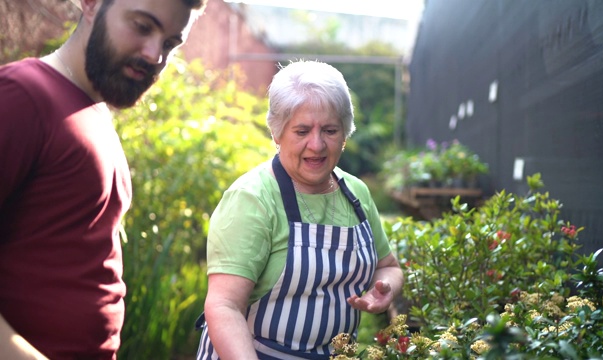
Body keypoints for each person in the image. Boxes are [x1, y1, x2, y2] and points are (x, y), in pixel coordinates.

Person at [0, 0, 207, 358]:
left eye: (171, 43)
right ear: (92, 3)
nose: (155, 54)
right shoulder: (23, 95)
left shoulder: (91, 109)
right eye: (143, 27)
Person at [196, 60, 404, 359]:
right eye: (302, 131)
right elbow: (223, 306)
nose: (316, 145)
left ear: (345, 134)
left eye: (330, 130)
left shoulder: (355, 193)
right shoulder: (252, 198)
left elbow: (389, 266)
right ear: (277, 132)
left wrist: (384, 289)